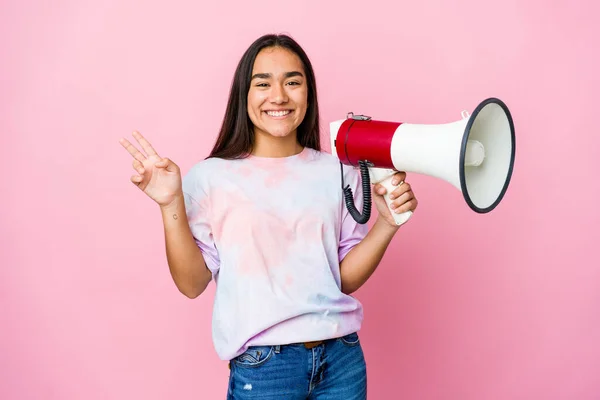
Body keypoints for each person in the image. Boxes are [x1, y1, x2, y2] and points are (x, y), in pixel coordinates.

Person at [119, 33, 418, 399]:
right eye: (263, 84)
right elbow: (192, 284)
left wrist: (387, 224)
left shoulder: (341, 171)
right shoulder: (210, 177)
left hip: (342, 359)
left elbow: (343, 279)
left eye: (293, 82)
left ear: (308, 92)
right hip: (265, 368)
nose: (279, 96)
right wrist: (170, 205)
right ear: (244, 95)